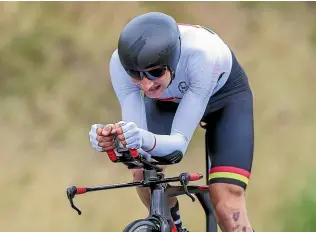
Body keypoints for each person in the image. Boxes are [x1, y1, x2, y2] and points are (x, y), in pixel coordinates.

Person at [89, 12, 255, 232]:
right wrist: (113, 140)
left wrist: (140, 137)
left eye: (155, 72)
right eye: (135, 75)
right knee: (142, 173)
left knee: (226, 201)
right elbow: (137, 146)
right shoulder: (119, 64)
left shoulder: (202, 56)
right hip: (168, 101)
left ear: (173, 60)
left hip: (225, 100)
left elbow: (177, 147)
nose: (146, 85)